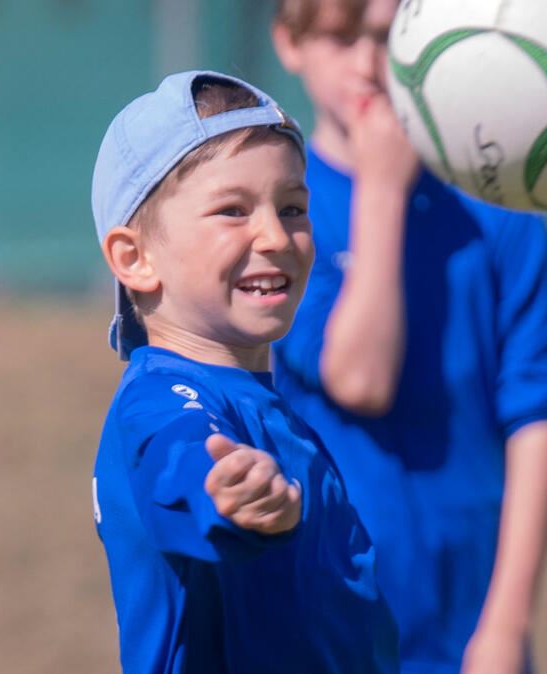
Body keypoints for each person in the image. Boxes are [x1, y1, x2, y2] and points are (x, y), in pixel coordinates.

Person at [271, 2, 547, 672]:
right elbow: (360, 378)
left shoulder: (497, 206)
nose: (366, 62)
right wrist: (382, 189)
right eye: (339, 36)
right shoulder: (281, 220)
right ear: (289, 44)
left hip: (469, 636)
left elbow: (538, 417)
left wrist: (505, 625)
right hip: (324, 638)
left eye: (386, 37)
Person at [89, 70, 399, 674]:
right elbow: (178, 458)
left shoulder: (266, 405)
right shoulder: (161, 401)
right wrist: (224, 493)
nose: (275, 235)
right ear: (135, 258)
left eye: (292, 207)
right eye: (232, 211)